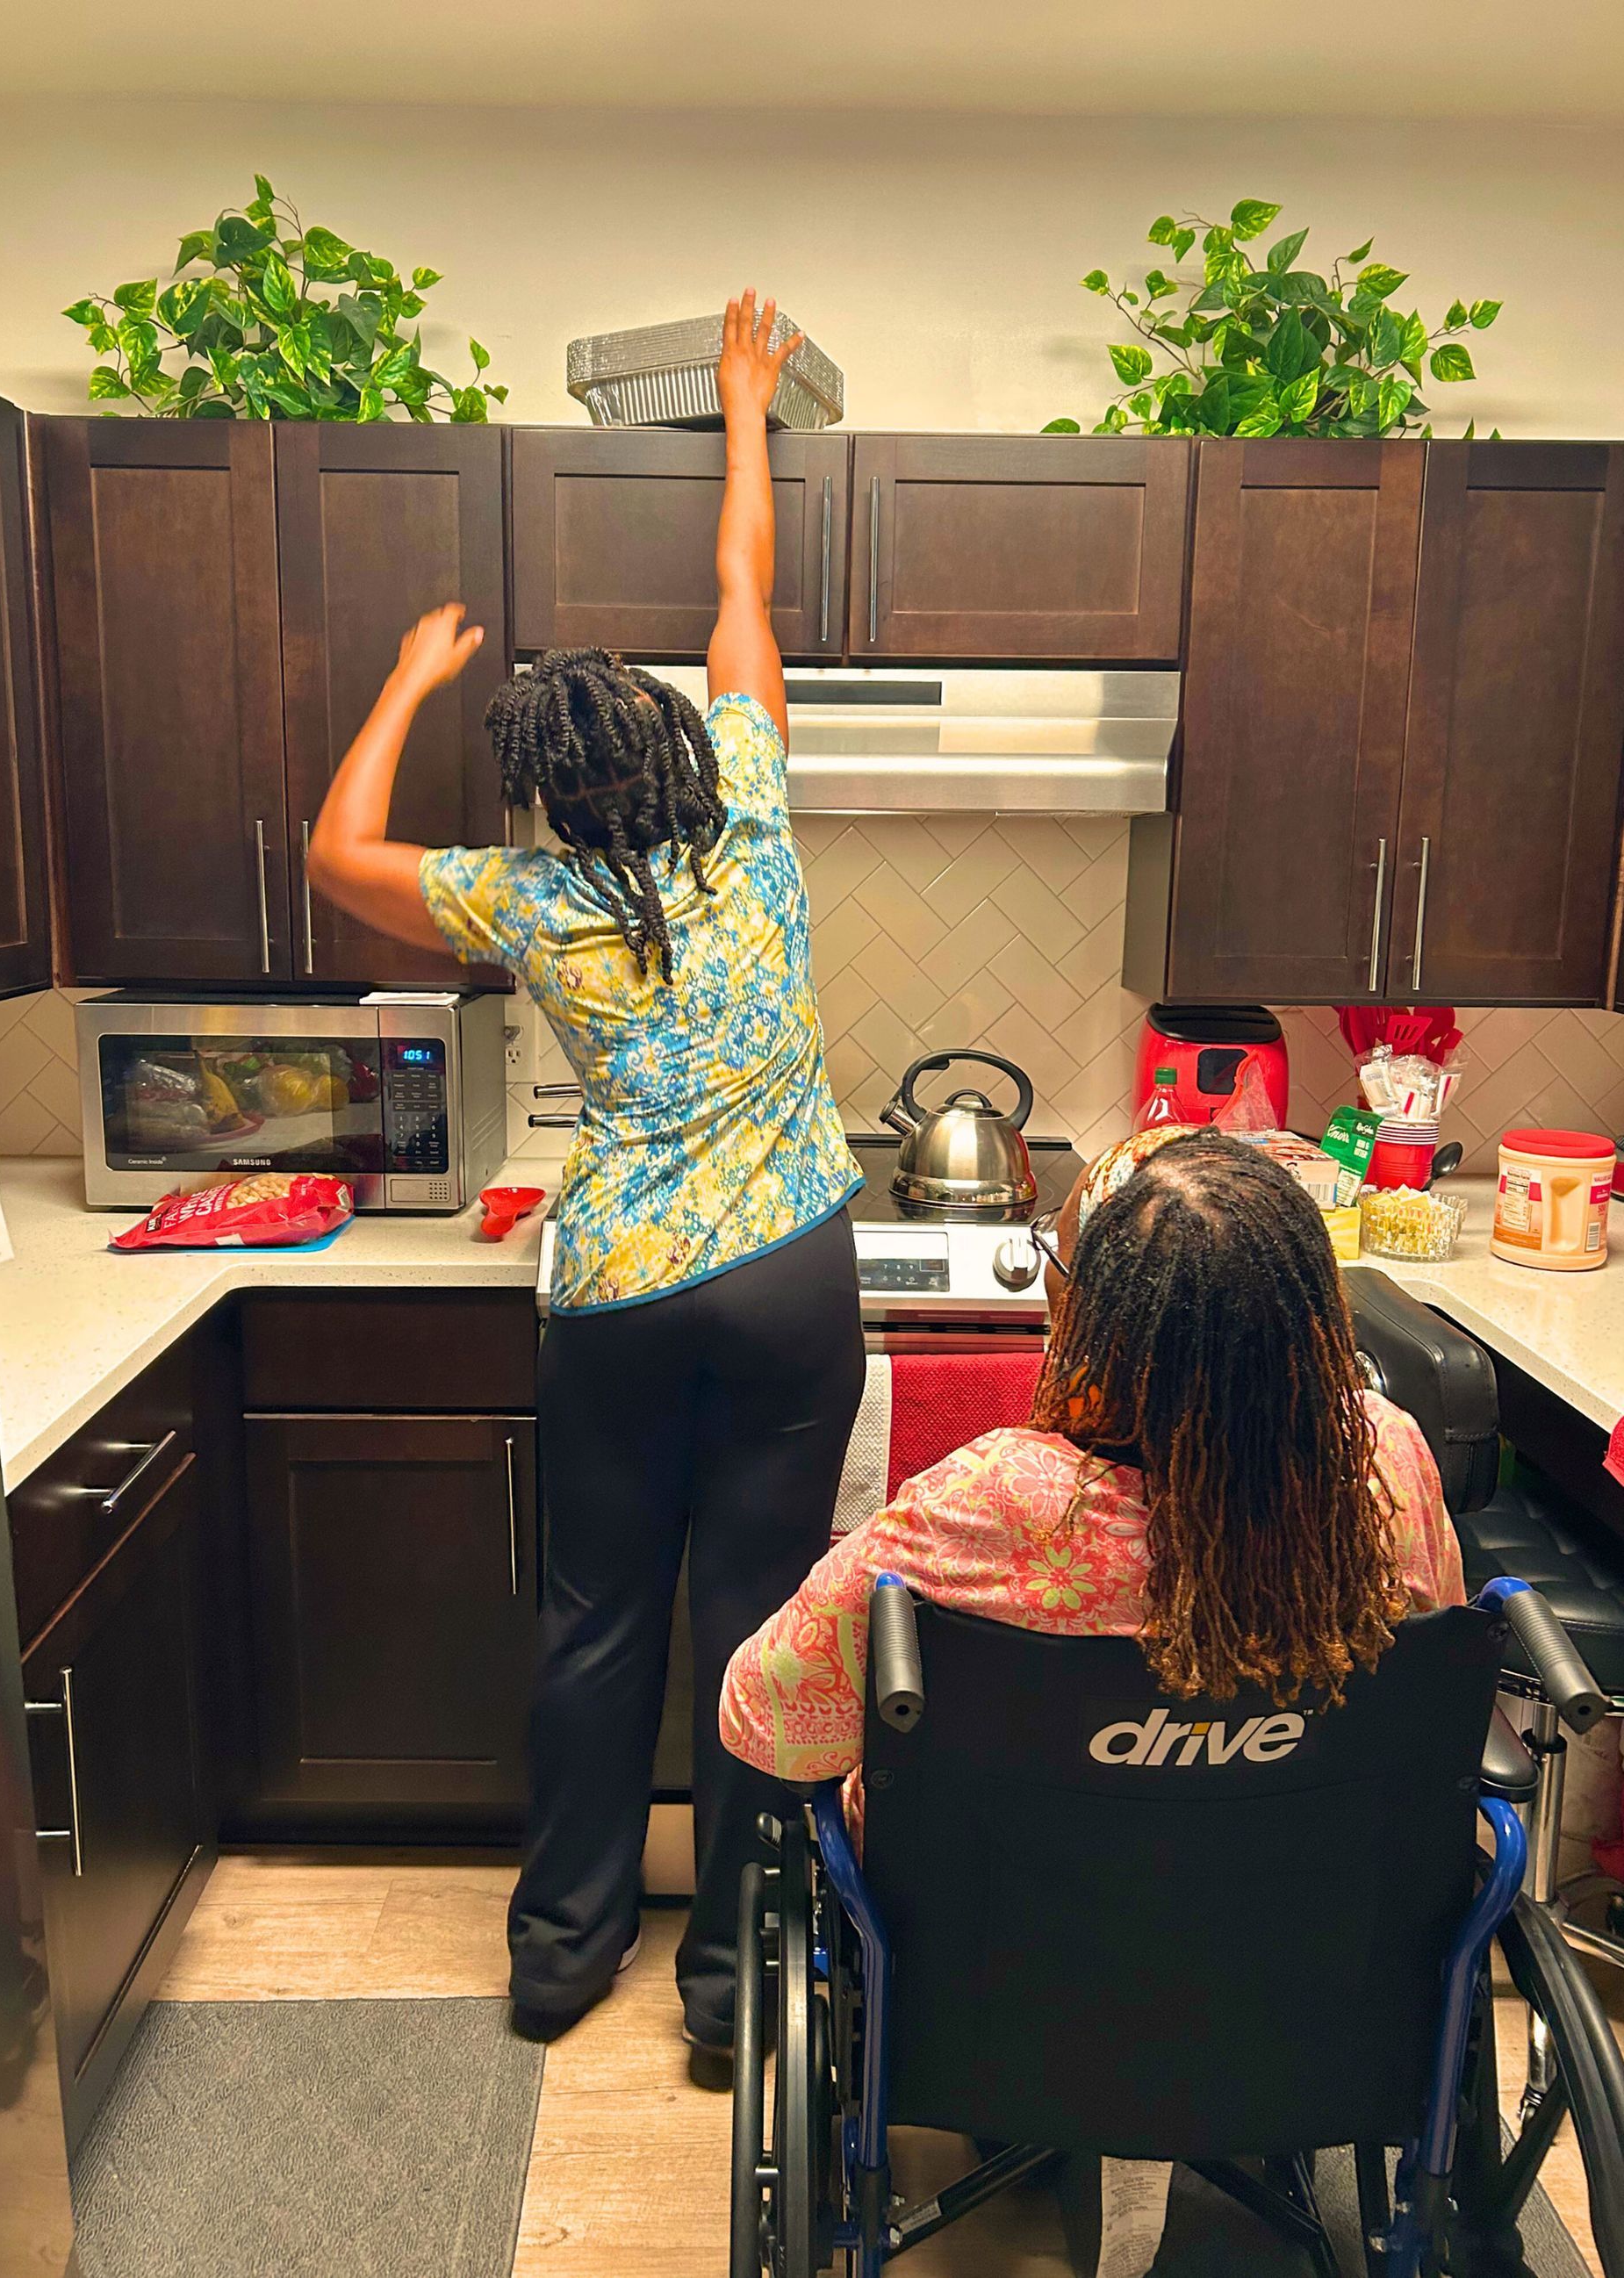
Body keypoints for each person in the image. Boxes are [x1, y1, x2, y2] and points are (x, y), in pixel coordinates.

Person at [307, 291, 866, 2054]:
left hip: (621, 1292)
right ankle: (737, 1986)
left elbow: (336, 855)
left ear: (552, 797)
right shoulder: (759, 811)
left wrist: (407, 681)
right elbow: (742, 593)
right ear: (690, 750)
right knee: (762, 1625)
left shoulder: (528, 898)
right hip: (789, 1275)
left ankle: (562, 1958)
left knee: (598, 1619)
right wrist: (746, 404)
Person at [720, 1129, 1464, 1808]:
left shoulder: (992, 1502)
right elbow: (1430, 1686)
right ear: (1307, 1314)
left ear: (1098, 1317)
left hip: (999, 1941)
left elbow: (764, 1717)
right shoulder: (1383, 1458)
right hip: (1320, 1934)